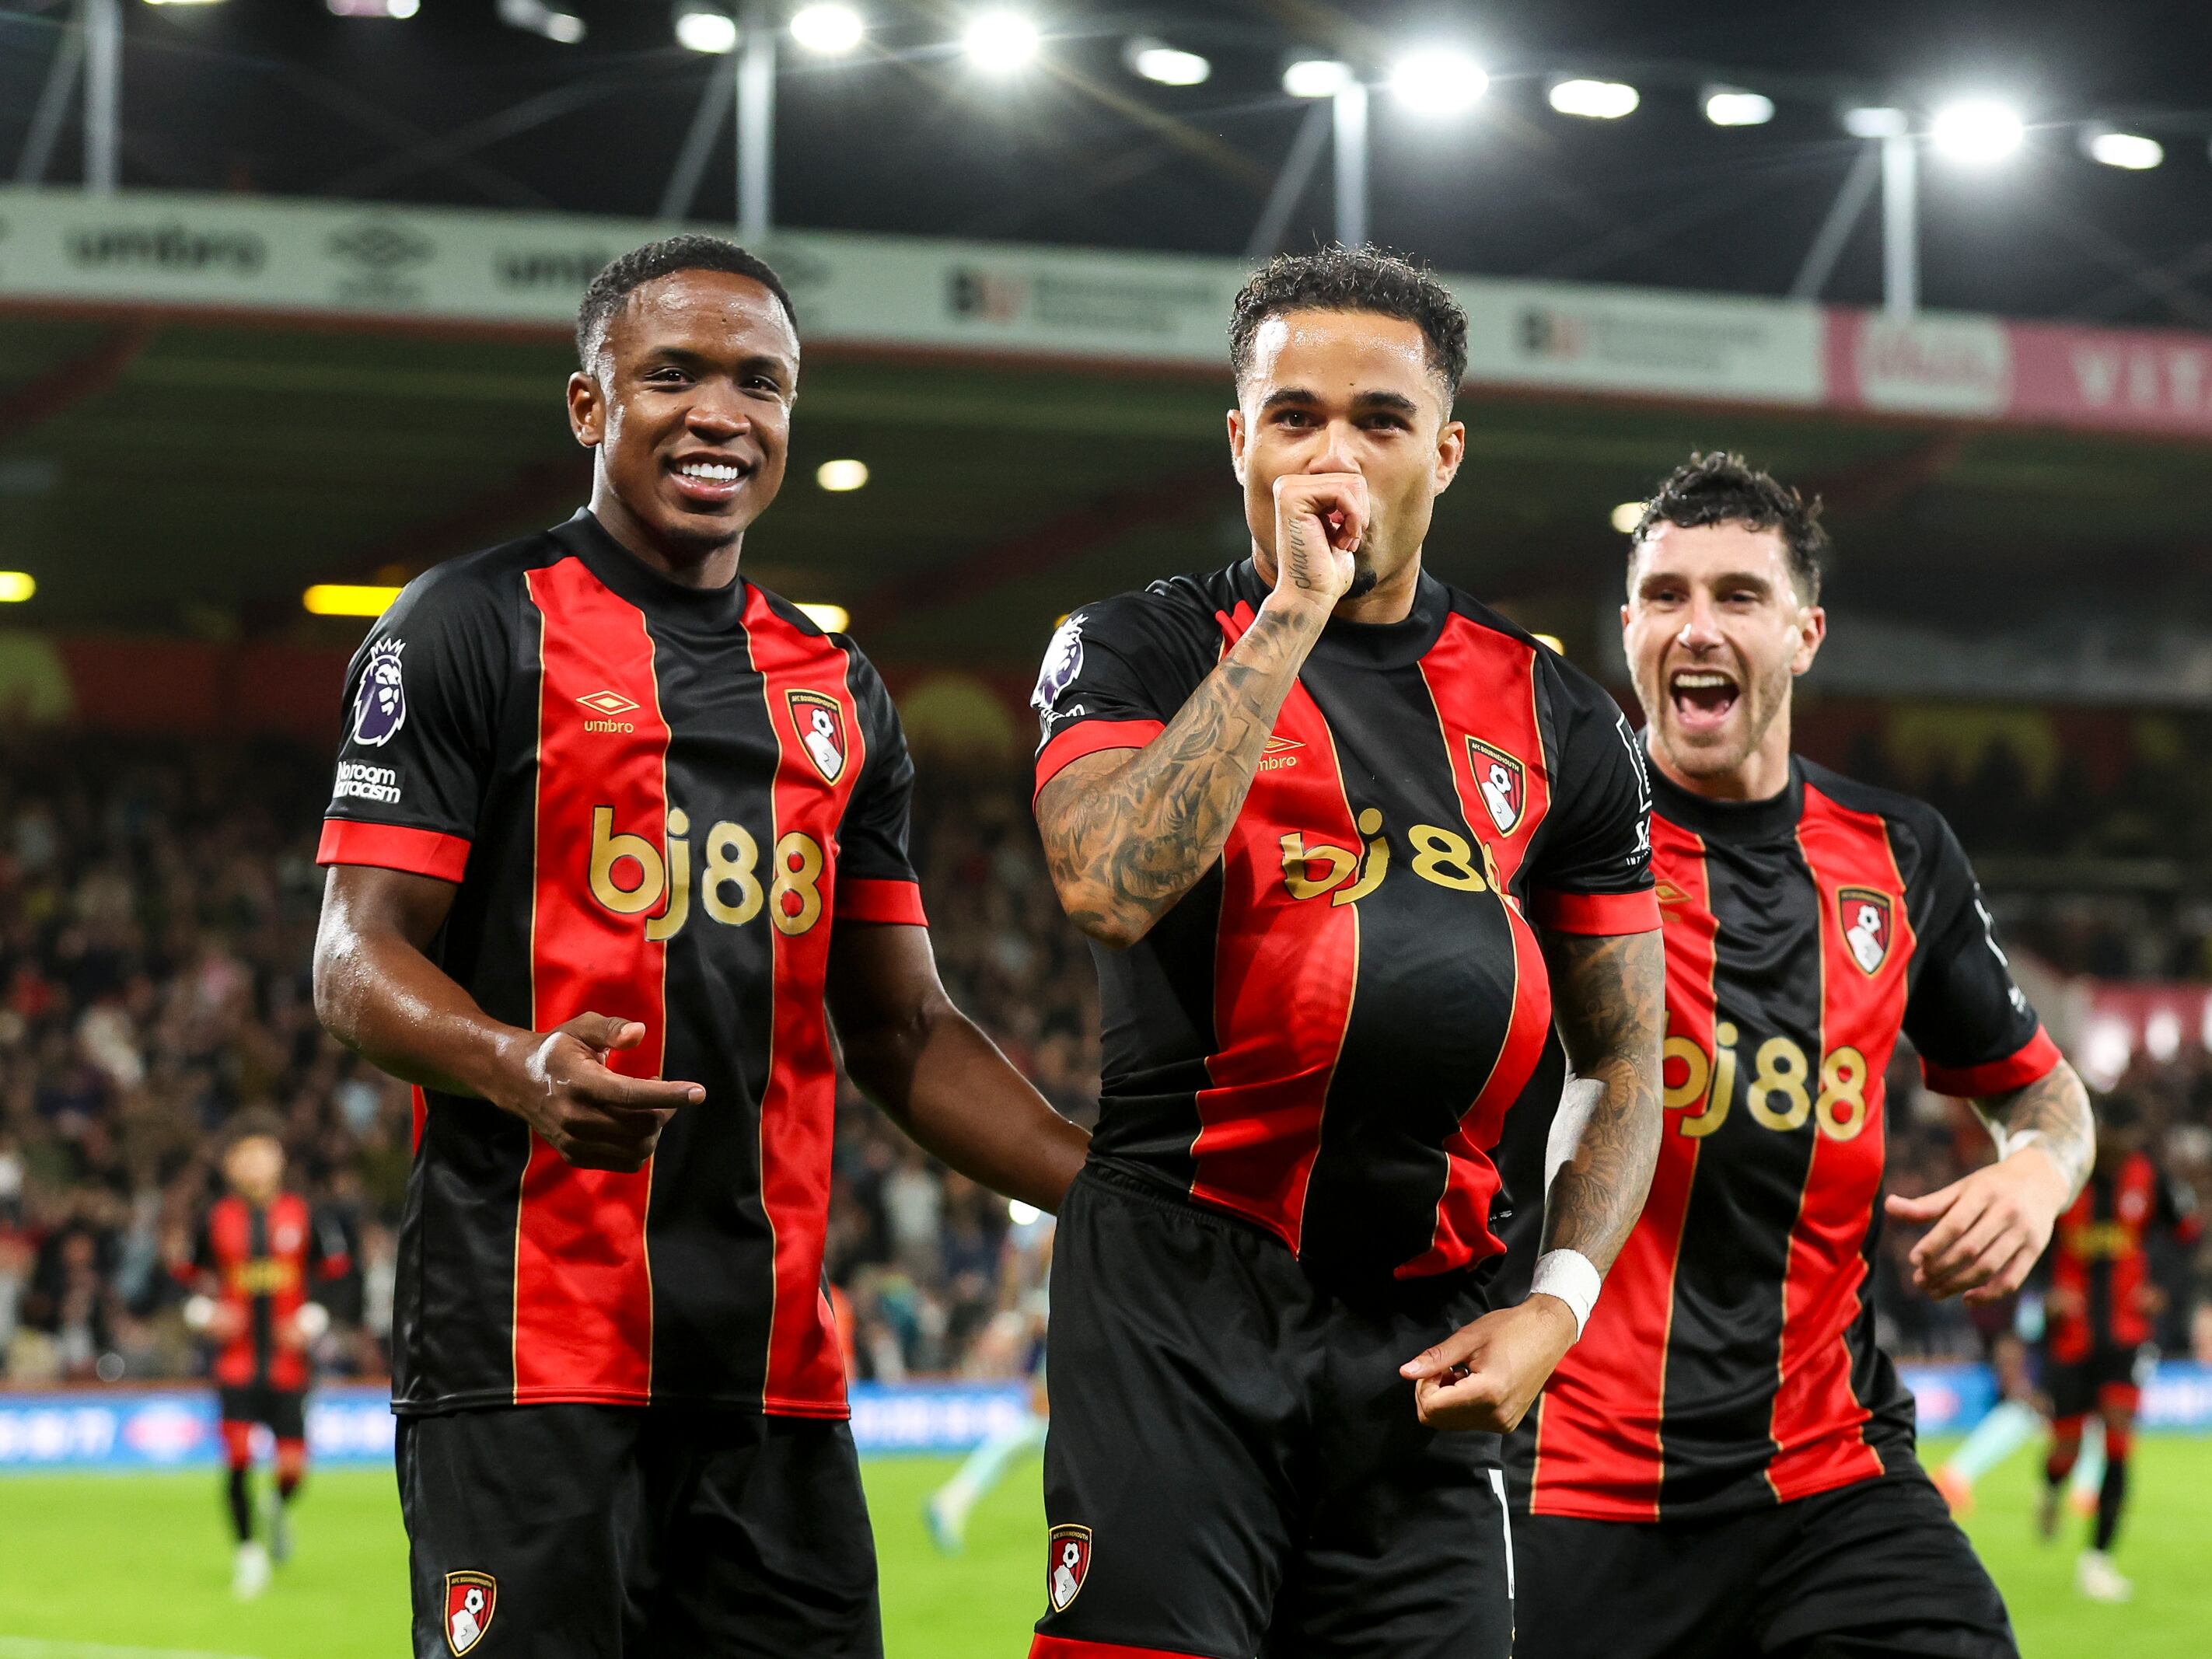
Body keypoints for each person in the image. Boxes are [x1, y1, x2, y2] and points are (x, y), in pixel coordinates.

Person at [310, 234, 1090, 1659]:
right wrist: (514, 1060)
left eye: (760, 381)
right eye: (671, 374)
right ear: (589, 404)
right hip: (527, 1353)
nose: (720, 411)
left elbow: (907, 1030)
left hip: (777, 1377)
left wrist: (1110, 1193)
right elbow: (353, 955)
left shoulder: (840, 690)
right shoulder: (471, 625)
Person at [1027, 246, 1666, 1659]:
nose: (1337, 450)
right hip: (1179, 1301)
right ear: (1238, 437)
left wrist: (1556, 1304)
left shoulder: (1556, 711)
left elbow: (1628, 1054)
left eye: (1380, 419)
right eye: (1296, 413)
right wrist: (1294, 613)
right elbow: (1110, 881)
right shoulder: (1128, 645)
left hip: (1432, 1333)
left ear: (1445, 448)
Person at [1511, 452, 2096, 1659]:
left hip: (1828, 1482)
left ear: (1804, 632)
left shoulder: (1899, 854)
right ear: (1626, 628)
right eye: (1665, 595)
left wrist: (2035, 1173)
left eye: (1736, 594)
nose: (1696, 625)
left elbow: (2042, 1090)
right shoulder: (1532, 845)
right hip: (1565, 1485)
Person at [174, 1109, 350, 1599]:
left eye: (262, 1153)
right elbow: (184, 1281)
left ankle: (277, 1506)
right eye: (243, 1155)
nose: (253, 1164)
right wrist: (203, 1315)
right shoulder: (215, 1220)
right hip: (235, 1365)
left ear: (280, 1159)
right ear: (230, 1165)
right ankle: (248, 1556)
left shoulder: (305, 1215)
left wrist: (311, 1320)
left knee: (292, 1469)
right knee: (236, 1460)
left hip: (290, 1366)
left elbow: (337, 1277)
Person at [2036, 1093, 2201, 1601]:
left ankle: (2097, 1562)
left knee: (2117, 1441)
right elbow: (2030, 1237)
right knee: (2064, 1449)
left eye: (2125, 1137)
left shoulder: (2149, 1180)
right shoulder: (2064, 1178)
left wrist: (2165, 1290)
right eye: (2112, 1135)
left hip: (2126, 1336)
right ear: (2096, 1132)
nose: (2118, 1145)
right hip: (2071, 1337)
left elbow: (2187, 1236)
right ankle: (2051, 1487)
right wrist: (2044, 1290)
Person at [924, 1201, 1054, 1554]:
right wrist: (1023, 1317)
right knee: (1041, 1425)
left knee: (1043, 1429)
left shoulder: (1046, 1224)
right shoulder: (1059, 1220)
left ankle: (954, 1499)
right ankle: (952, 1499)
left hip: (1066, 1330)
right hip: (1073, 1335)